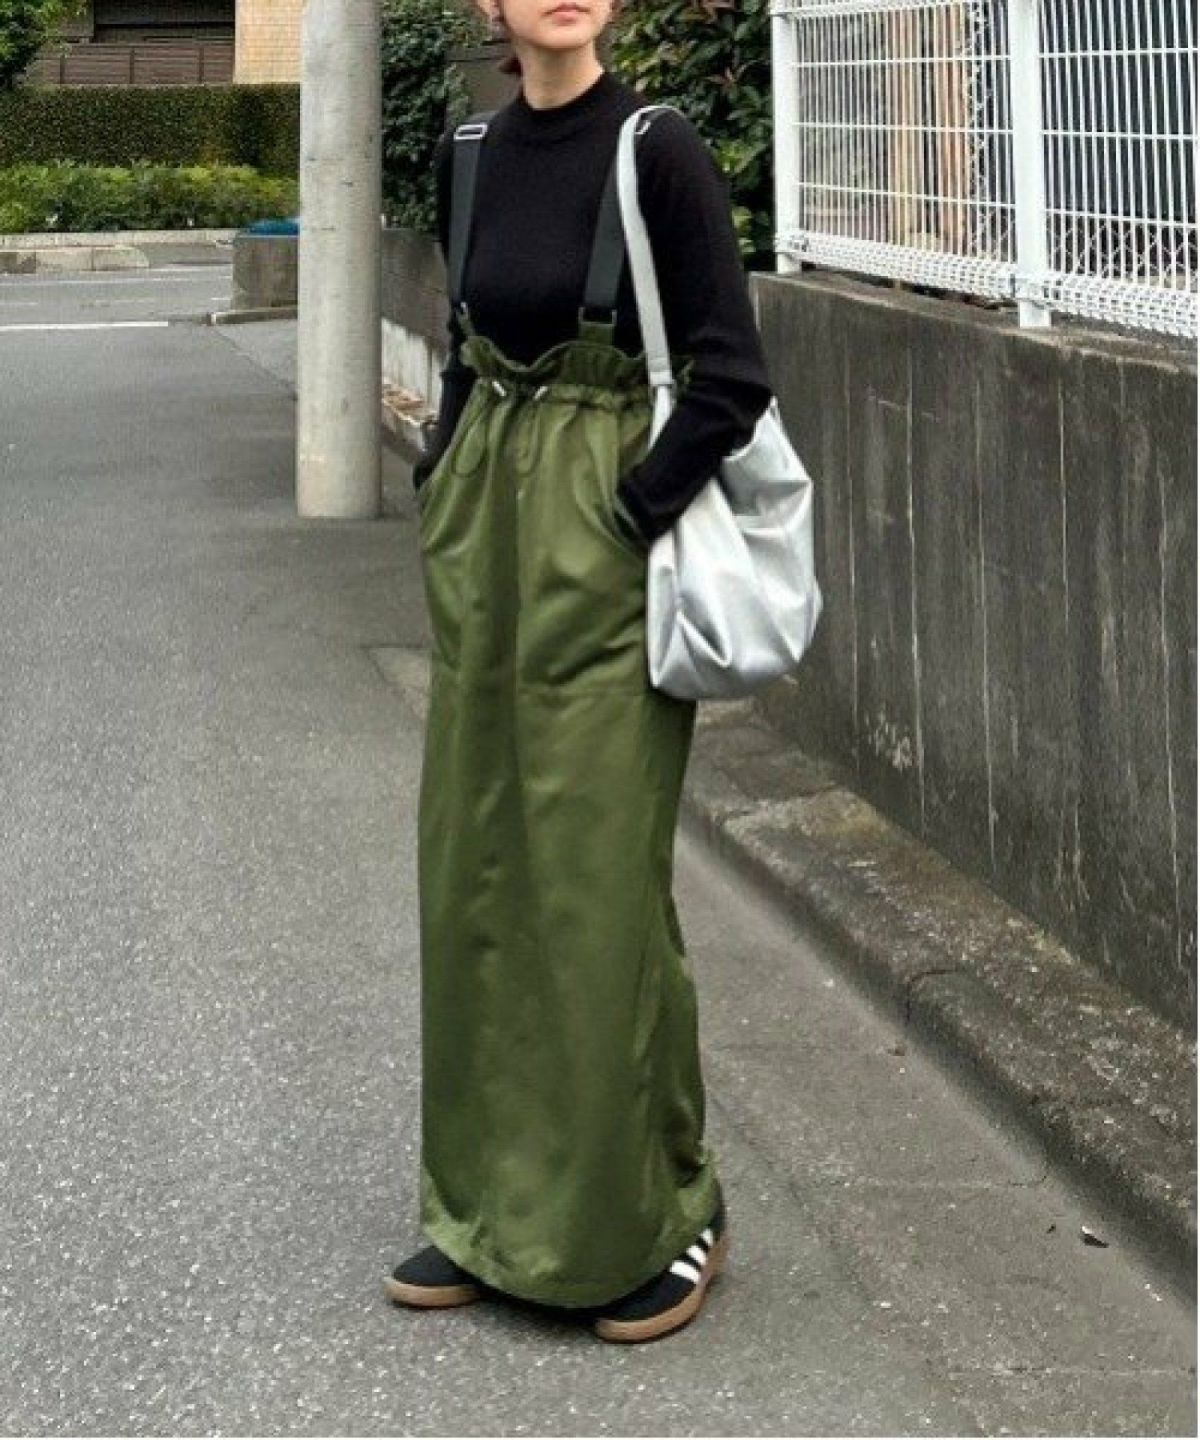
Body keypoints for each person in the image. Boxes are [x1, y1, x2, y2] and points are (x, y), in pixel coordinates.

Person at [385, 0, 773, 1344]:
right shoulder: (470, 152)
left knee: (597, 892)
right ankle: (485, 1210)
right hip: (485, 555)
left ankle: (661, 1212)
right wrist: (442, 481)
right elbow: (463, 352)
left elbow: (730, 379)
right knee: (477, 873)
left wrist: (623, 515)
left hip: (600, 556)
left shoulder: (658, 150)